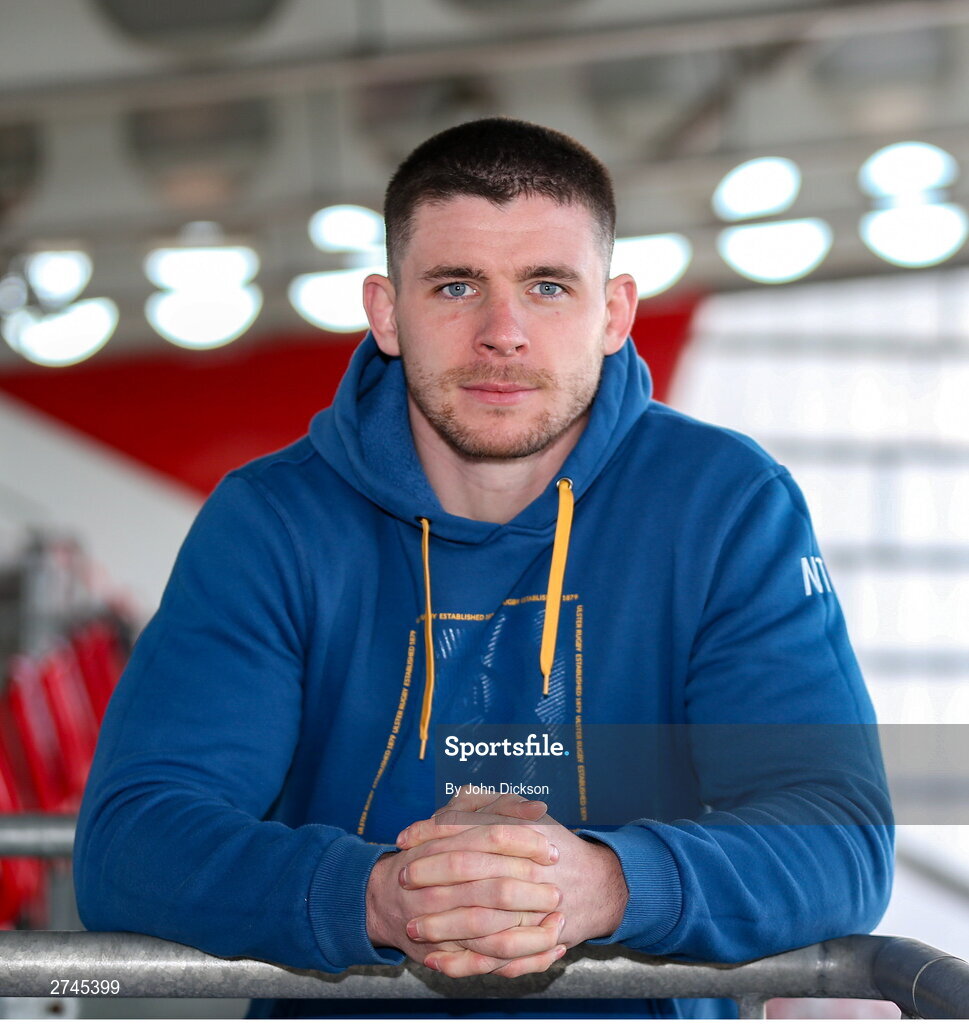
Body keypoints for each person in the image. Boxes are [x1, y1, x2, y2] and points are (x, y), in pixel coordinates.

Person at [74, 118, 893, 1019]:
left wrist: (608, 883)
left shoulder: (724, 503)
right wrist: (379, 895)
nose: (502, 333)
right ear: (386, 312)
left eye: (547, 286)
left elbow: (837, 834)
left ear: (613, 313)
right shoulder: (272, 521)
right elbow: (131, 842)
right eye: (456, 285)